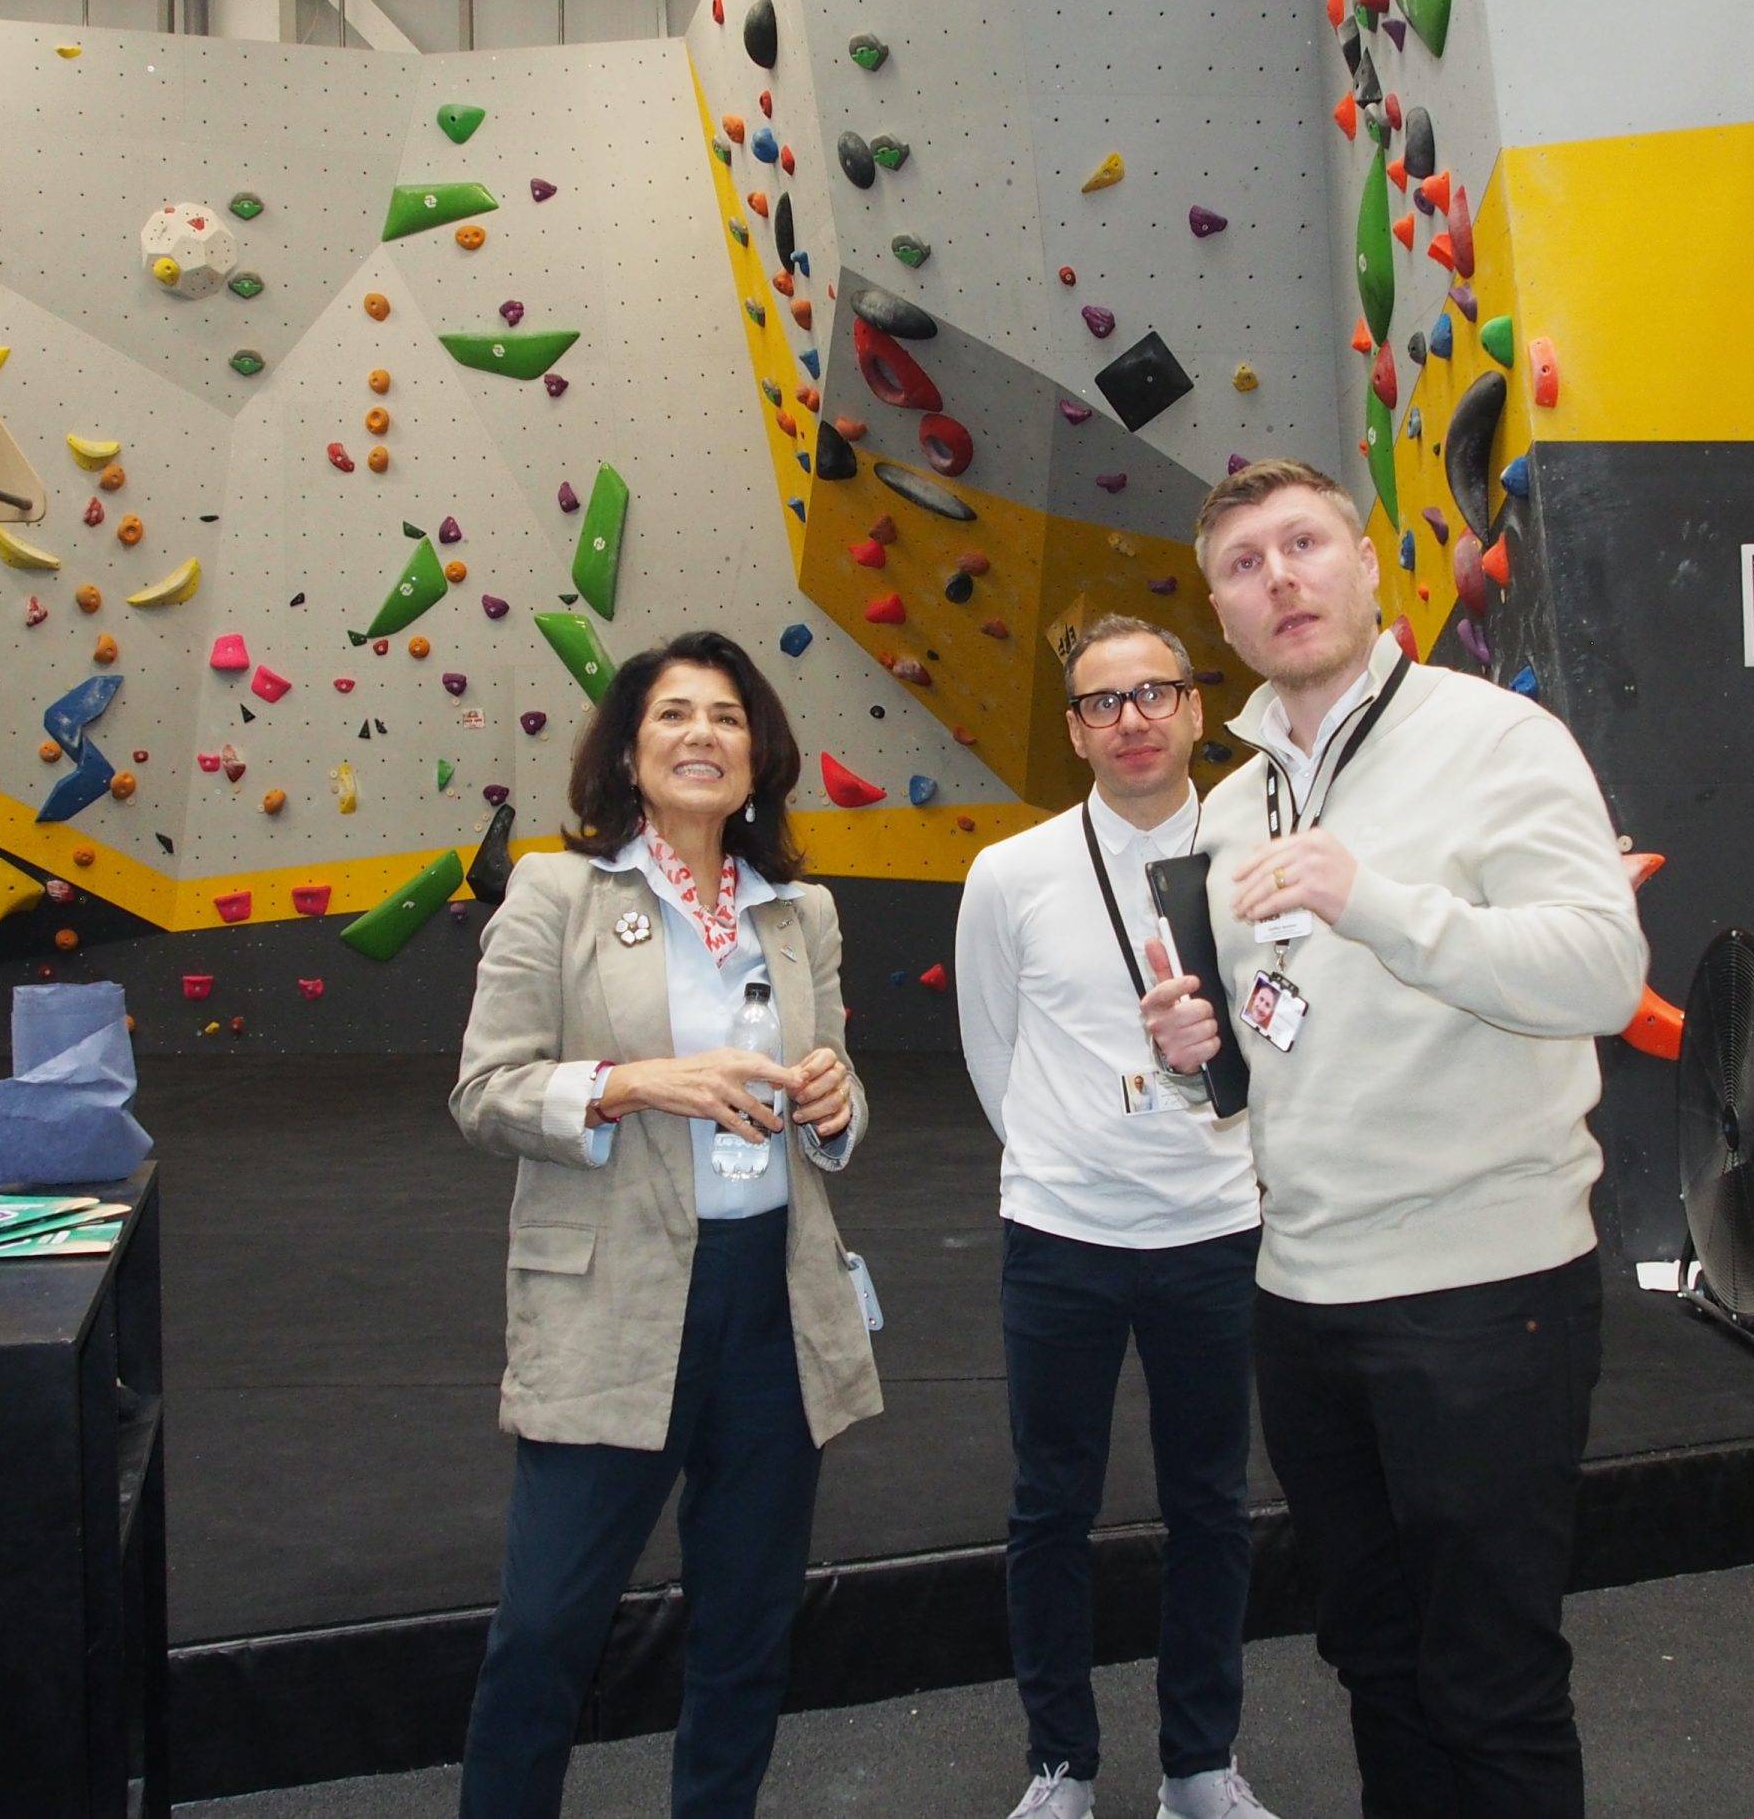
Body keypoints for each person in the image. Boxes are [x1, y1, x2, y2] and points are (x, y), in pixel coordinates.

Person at [1141, 459, 1647, 1819]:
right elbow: (1279, 1055)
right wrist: (1209, 1064)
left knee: (1492, 1677)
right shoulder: (1235, 807)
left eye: (1305, 544)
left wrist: (1382, 902)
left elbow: (1603, 972)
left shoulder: (1498, 740)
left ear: (1367, 568)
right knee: (1374, 1659)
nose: (1282, 578)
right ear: (1221, 616)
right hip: (1302, 1300)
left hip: (1484, 1294)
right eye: (1245, 564)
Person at [450, 629, 881, 1818]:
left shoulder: (802, 912)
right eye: (675, 716)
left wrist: (836, 1103)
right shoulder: (557, 890)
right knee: (544, 1628)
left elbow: (829, 1081)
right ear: (628, 755)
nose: (703, 735)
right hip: (613, 1299)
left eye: (728, 717)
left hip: (771, 1300)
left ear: (760, 754)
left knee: (746, 1626)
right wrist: (638, 1082)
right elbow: (483, 1092)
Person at [956, 615, 1280, 1819]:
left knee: (1210, 1501)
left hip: (1216, 1227)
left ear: (1198, 708)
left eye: (1155, 693)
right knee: (1051, 1505)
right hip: (1062, 1236)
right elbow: (992, 1050)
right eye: (1103, 701)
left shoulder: (1258, 863)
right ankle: (1060, 1764)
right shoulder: (1013, 873)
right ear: (1075, 730)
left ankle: (1199, 1762)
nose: (1133, 718)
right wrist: (1069, 1150)